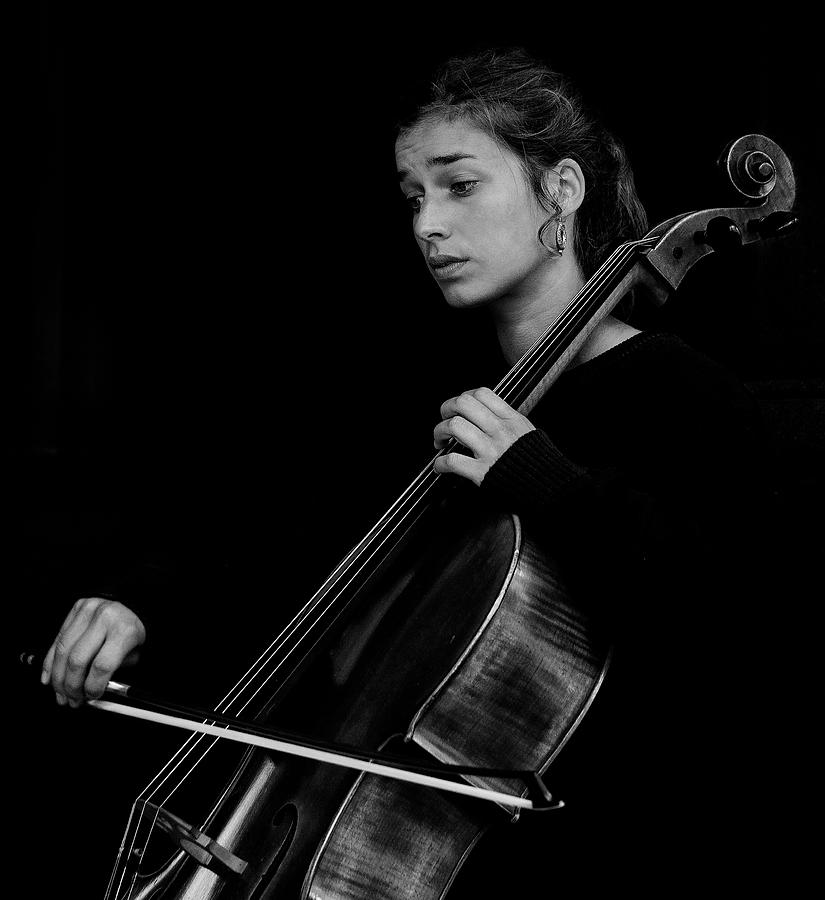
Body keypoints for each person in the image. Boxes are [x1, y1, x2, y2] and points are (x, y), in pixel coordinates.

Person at [40, 47, 781, 893]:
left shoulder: (684, 394)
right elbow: (267, 536)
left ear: (562, 190)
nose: (427, 224)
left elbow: (727, 613)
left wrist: (538, 476)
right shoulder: (417, 398)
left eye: (459, 185)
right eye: (413, 196)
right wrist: (139, 598)